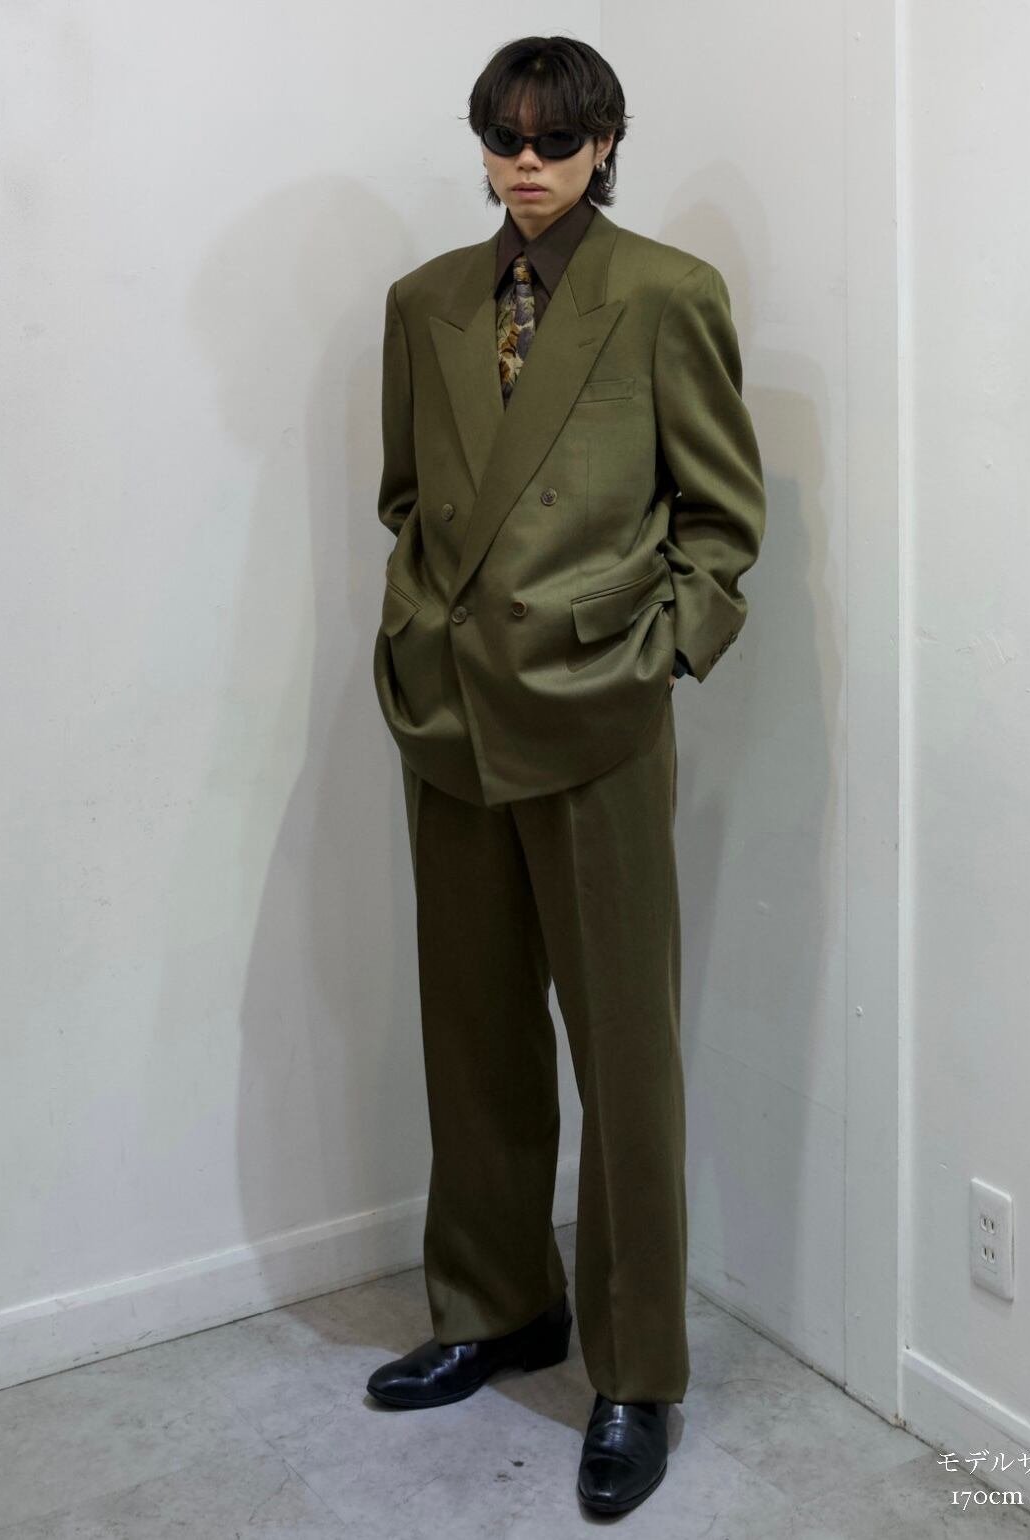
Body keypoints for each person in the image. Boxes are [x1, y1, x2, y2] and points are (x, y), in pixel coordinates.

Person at [367, 34, 766, 1517]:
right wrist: (418, 630)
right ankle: (496, 1305)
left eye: (554, 139)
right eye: (504, 137)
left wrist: (662, 650)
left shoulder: (664, 293)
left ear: (605, 144)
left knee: (624, 1055)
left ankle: (636, 1371)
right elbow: (408, 495)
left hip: (597, 715)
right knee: (472, 1033)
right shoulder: (425, 303)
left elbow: (720, 518)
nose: (526, 164)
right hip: (453, 715)